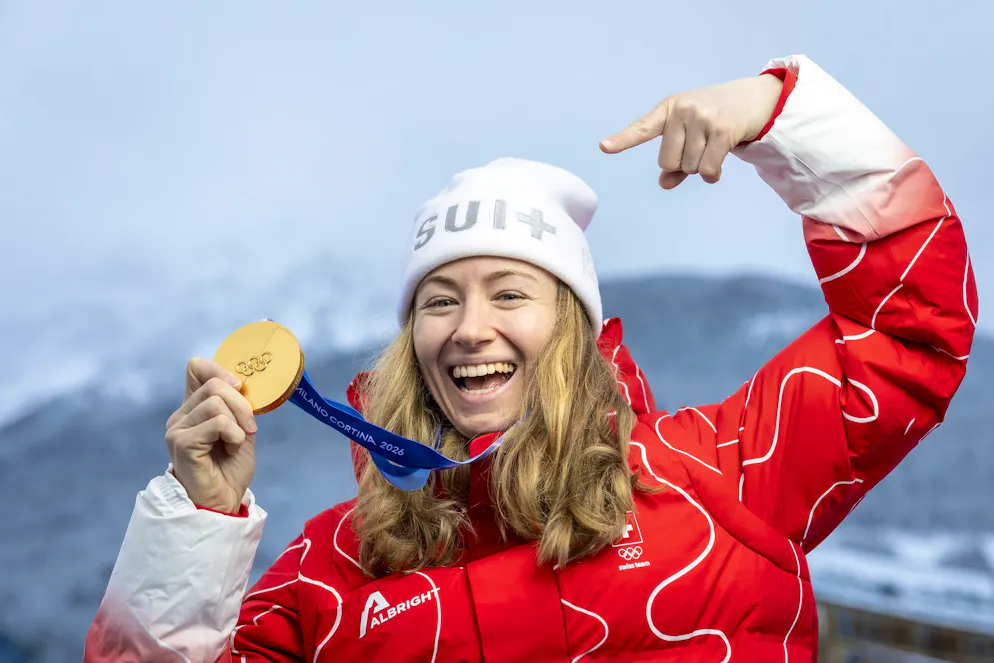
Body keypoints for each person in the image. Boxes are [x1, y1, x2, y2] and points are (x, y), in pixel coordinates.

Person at [84, 54, 978, 663]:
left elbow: (912, 328)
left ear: (575, 328)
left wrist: (783, 116)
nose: (469, 327)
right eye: (440, 300)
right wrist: (196, 521)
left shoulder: (721, 474)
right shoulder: (334, 568)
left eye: (510, 292)